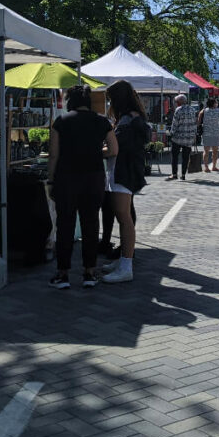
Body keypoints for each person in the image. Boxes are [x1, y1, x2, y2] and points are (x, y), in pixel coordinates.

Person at [46, 85, 116, 289]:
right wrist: (95, 152)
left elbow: (53, 155)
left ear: (70, 101)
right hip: (93, 178)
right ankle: (89, 273)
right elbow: (113, 149)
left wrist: (51, 180)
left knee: (65, 225)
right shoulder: (102, 121)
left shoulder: (61, 121)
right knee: (91, 225)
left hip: (66, 178)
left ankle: (63, 274)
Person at [102, 79, 150, 284]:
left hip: (123, 172)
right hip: (127, 172)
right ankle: (123, 260)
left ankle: (126, 265)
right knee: (125, 217)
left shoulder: (127, 121)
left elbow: (116, 149)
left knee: (124, 217)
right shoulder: (133, 117)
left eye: (110, 99)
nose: (109, 104)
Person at [166, 94, 197, 181]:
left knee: (174, 156)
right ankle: (183, 174)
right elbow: (194, 123)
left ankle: (174, 174)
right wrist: (194, 134)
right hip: (189, 137)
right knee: (185, 157)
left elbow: (174, 124)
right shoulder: (192, 109)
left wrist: (171, 133)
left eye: (176, 102)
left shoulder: (178, 110)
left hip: (178, 137)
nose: (175, 104)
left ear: (179, 102)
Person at [197, 96, 219, 172]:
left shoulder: (203, 111)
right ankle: (214, 166)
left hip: (206, 133)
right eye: (216, 102)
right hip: (216, 133)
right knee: (215, 151)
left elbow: (198, 122)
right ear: (214, 104)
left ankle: (206, 167)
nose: (217, 103)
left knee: (206, 151)